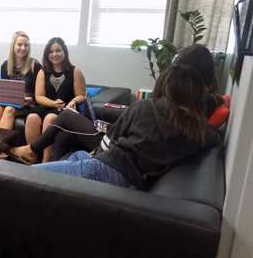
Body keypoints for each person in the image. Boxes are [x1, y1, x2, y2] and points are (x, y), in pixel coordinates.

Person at [10, 44, 229, 164]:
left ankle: (31, 151)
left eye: (176, 66)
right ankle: (42, 162)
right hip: (122, 139)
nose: (172, 72)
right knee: (63, 132)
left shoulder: (203, 101)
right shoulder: (203, 100)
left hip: (115, 147)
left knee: (66, 117)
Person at [32, 65, 221, 191]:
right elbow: (215, 133)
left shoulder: (146, 106)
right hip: (129, 178)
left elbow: (107, 144)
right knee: (76, 156)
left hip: (106, 168)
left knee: (23, 175)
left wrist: (94, 154)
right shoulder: (198, 130)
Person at [24, 37, 86, 162]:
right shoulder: (43, 71)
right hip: (46, 106)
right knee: (32, 118)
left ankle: (46, 160)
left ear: (64, 52)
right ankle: (32, 157)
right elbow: (39, 96)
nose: (54, 54)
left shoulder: (75, 71)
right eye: (51, 52)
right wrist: (53, 103)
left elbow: (81, 95)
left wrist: (73, 101)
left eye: (58, 51)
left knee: (50, 118)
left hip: (66, 109)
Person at [0, 31, 42, 129]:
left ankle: (2, 143)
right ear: (13, 45)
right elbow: (4, 92)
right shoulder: (5, 65)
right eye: (19, 44)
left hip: (28, 105)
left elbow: (41, 93)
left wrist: (31, 99)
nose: (23, 48)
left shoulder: (35, 66)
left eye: (26, 45)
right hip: (10, 102)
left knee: (9, 110)